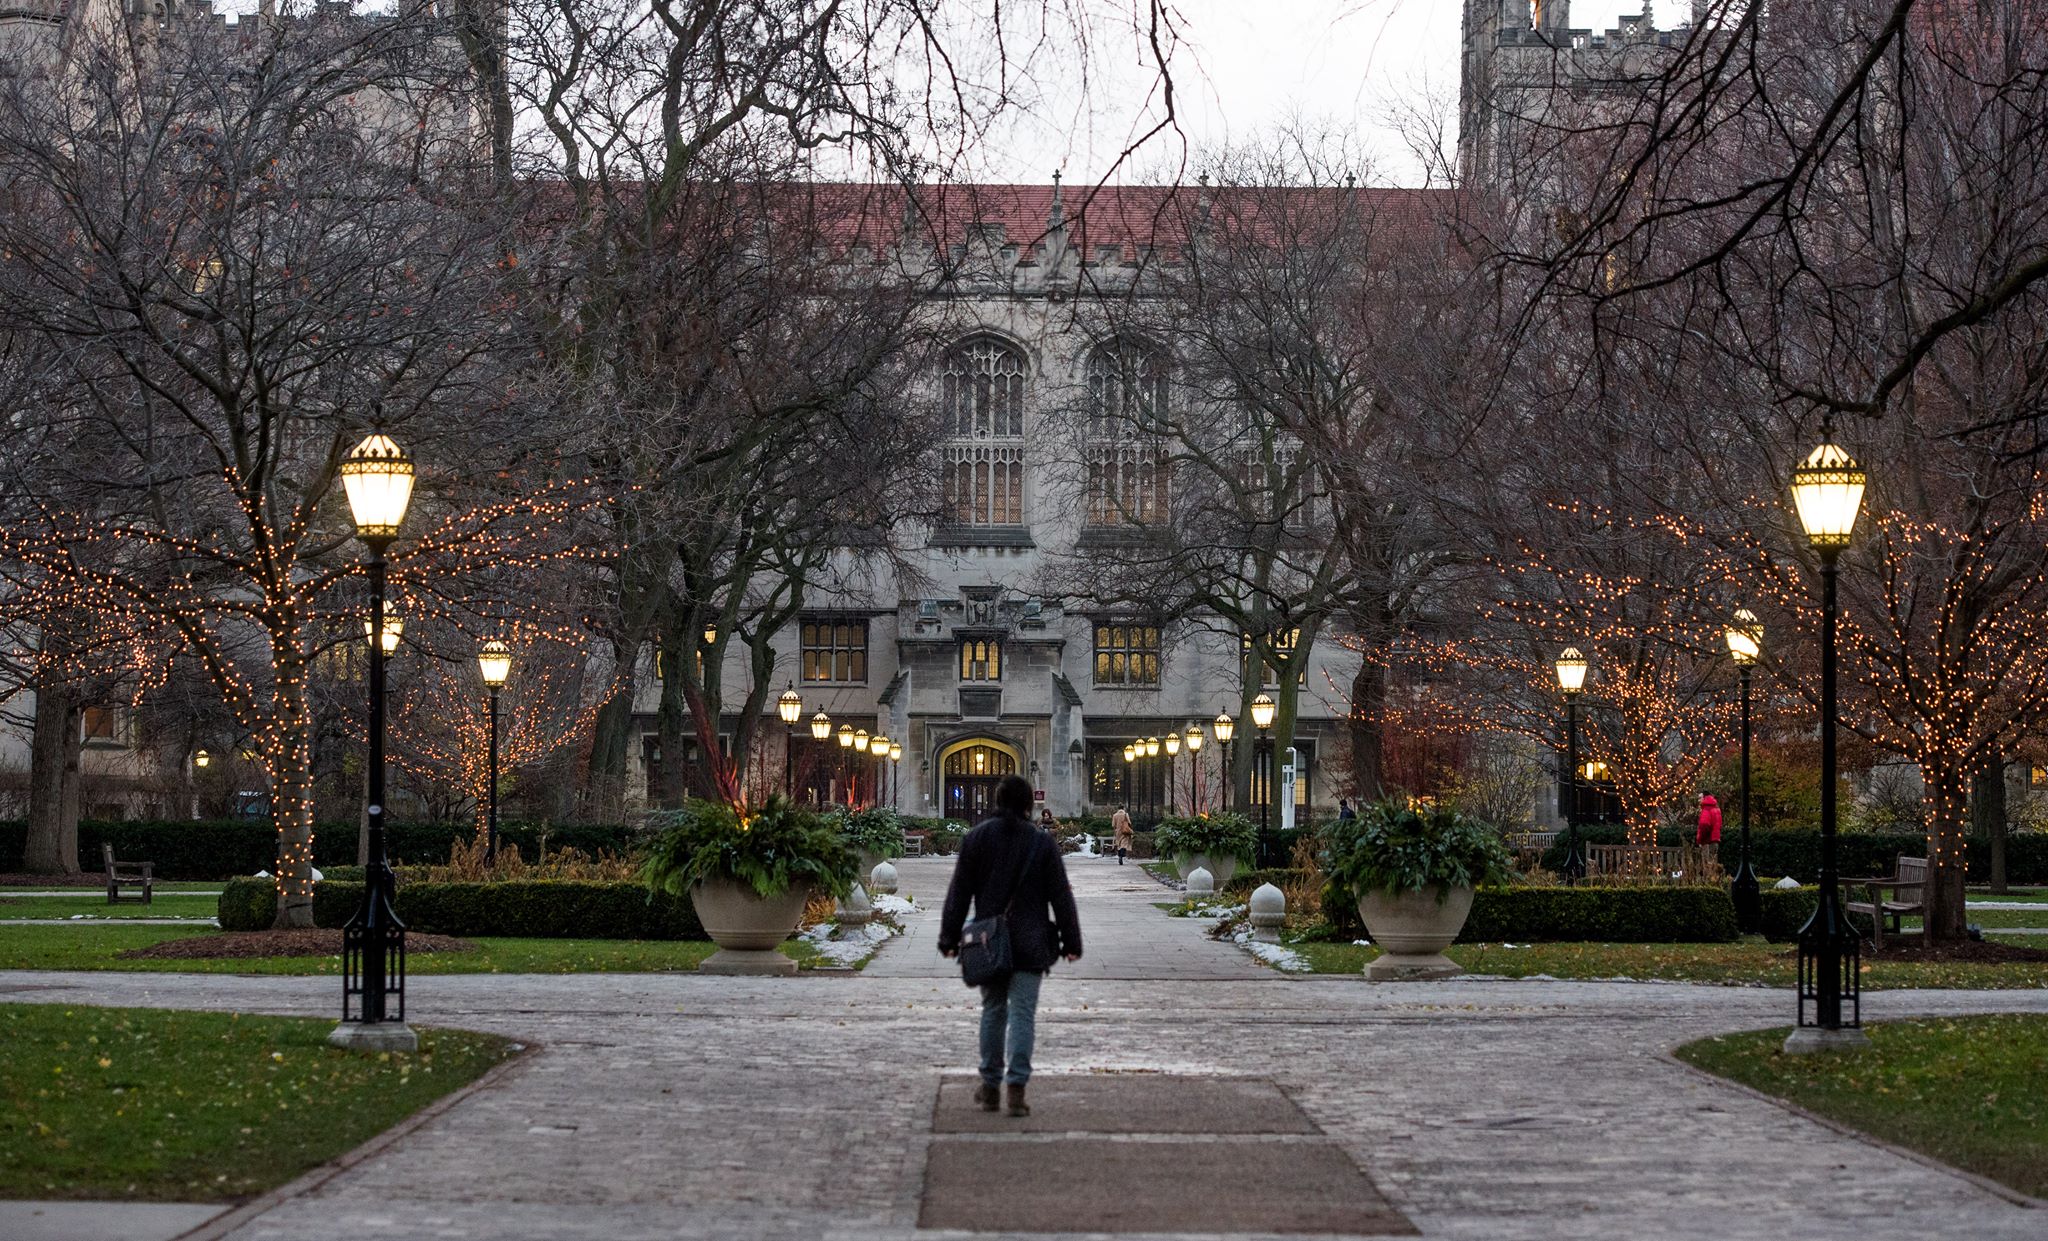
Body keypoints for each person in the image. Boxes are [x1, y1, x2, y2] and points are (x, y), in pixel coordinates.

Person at [938, 774, 1082, 1118]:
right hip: (1032, 941)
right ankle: (1016, 1088)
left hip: (989, 941)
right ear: (1028, 804)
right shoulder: (1041, 843)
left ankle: (990, 1087)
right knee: (1022, 1015)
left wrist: (949, 937)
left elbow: (959, 893)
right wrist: (1071, 940)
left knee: (993, 1011)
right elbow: (1061, 896)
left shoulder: (976, 839)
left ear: (997, 802)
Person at [1696, 792, 1722, 858]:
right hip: (1715, 840)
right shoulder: (1717, 809)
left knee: (1707, 864)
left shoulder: (1706, 810)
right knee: (1713, 864)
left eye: (1700, 798)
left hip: (1707, 842)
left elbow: (1704, 826)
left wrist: (1700, 840)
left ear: (1705, 798)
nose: (1698, 800)